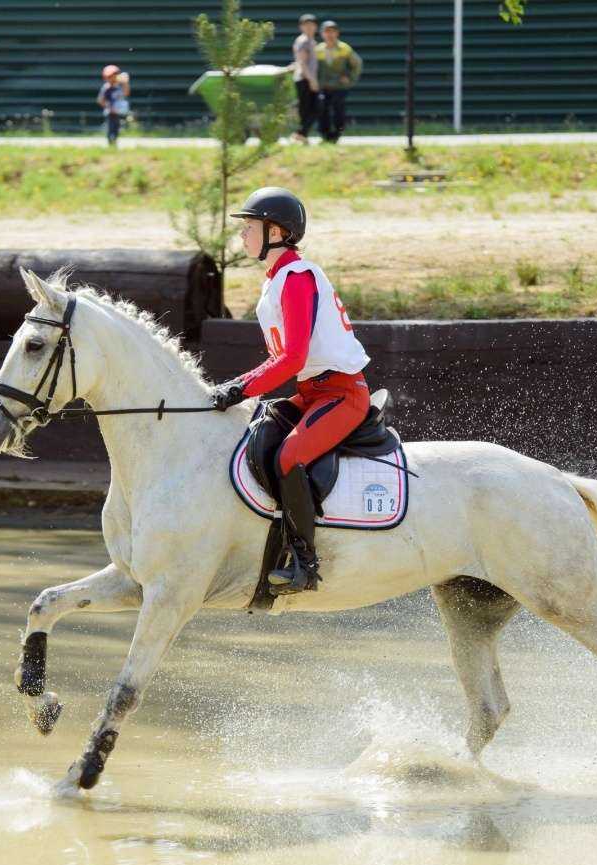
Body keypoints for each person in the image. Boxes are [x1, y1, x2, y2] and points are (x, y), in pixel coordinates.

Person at [210, 188, 373, 595]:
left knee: (289, 456)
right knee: (260, 434)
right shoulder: (277, 279)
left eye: (249, 228)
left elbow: (293, 357)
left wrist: (240, 388)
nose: (242, 236)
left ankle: (304, 562)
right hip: (312, 392)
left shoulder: (297, 277)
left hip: (341, 394)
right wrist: (239, 390)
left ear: (277, 232)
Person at [315, 20, 362, 144]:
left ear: (337, 33)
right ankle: (324, 135)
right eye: (326, 31)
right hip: (323, 86)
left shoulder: (344, 49)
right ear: (322, 34)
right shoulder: (318, 50)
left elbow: (357, 64)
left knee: (338, 109)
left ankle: (337, 134)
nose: (330, 34)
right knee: (322, 108)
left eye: (332, 31)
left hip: (340, 87)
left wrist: (350, 78)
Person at [290, 14, 320, 142]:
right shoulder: (303, 41)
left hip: (309, 79)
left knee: (311, 108)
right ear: (301, 27)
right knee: (310, 108)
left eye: (311, 25)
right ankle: (300, 134)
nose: (309, 27)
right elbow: (302, 63)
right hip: (304, 79)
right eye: (306, 25)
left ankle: (301, 134)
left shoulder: (312, 41)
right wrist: (312, 80)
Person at [96, 65, 130, 146]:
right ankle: (110, 143)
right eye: (109, 76)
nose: (112, 78)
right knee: (110, 129)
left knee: (117, 128)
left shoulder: (119, 86)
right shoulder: (106, 88)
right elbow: (100, 100)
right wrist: (109, 108)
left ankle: (114, 143)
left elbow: (126, 93)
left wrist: (125, 83)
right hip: (110, 112)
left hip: (118, 111)